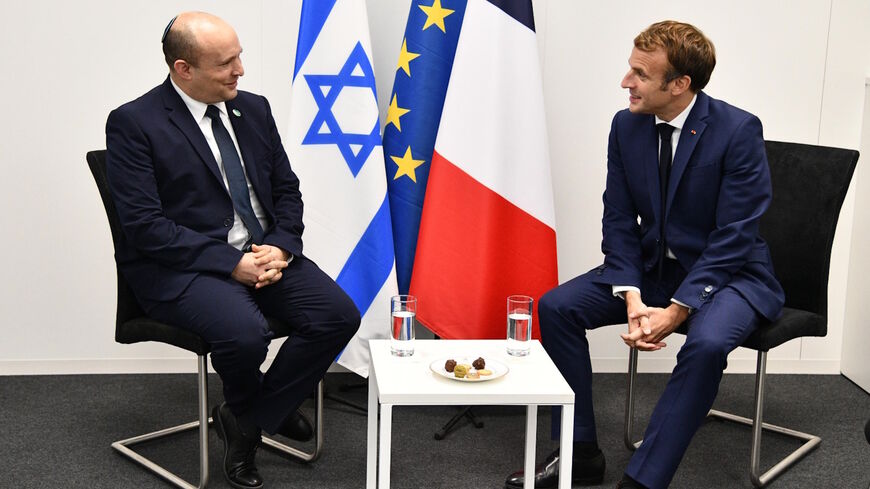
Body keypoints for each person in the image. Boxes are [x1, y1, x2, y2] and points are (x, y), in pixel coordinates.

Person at [505, 20, 784, 489]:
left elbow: (735, 237)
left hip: (730, 275)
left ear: (679, 85)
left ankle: (645, 480)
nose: (625, 82)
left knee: (708, 344)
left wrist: (678, 310)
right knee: (557, 307)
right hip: (653, 270)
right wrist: (631, 294)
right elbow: (617, 218)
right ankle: (579, 453)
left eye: (639, 73)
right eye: (629, 68)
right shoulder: (626, 124)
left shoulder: (737, 130)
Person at [105, 12, 360, 489]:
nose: (240, 69)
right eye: (226, 62)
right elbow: (145, 227)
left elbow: (287, 192)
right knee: (246, 334)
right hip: (182, 268)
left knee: (338, 314)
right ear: (184, 69)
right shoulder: (134, 123)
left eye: (239, 55)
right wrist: (231, 263)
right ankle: (260, 418)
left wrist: (281, 249)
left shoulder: (254, 109)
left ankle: (247, 418)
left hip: (264, 254)